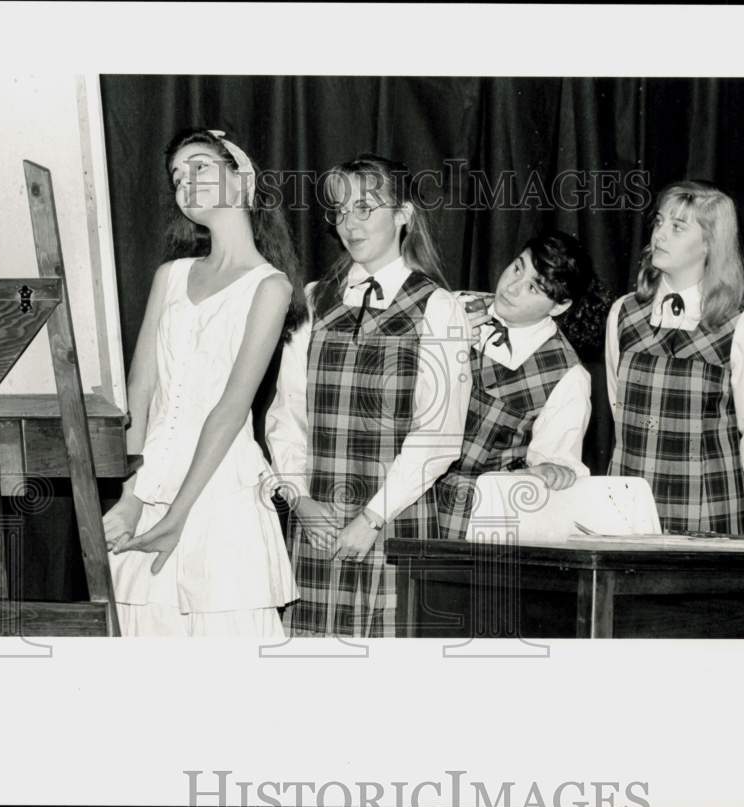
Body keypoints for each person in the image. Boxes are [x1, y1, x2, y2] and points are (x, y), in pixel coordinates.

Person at [101, 128, 305, 636]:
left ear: (240, 180)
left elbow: (232, 409)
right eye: (176, 176)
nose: (185, 181)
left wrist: (179, 514)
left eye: (199, 167)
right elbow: (140, 392)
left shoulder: (270, 286)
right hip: (149, 488)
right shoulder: (170, 276)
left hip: (220, 495)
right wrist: (132, 497)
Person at [266, 154, 472, 637]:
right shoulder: (315, 298)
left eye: (365, 208)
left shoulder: (439, 308)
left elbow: (438, 436)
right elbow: (287, 412)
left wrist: (373, 517)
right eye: (339, 211)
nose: (348, 224)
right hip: (319, 524)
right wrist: (298, 498)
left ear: (403, 214)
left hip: (398, 522)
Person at [605, 180, 744, 535]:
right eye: (659, 222)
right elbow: (617, 403)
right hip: (628, 508)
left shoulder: (742, 329)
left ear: (709, 244)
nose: (660, 235)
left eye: (677, 227)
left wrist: (732, 502)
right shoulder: (624, 313)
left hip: (707, 509)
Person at [437, 229, 607, 540]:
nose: (512, 288)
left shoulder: (567, 376)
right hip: (397, 494)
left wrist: (548, 472)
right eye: (518, 267)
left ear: (559, 306)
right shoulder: (451, 306)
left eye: (533, 287)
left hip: (470, 521)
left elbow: (554, 465)